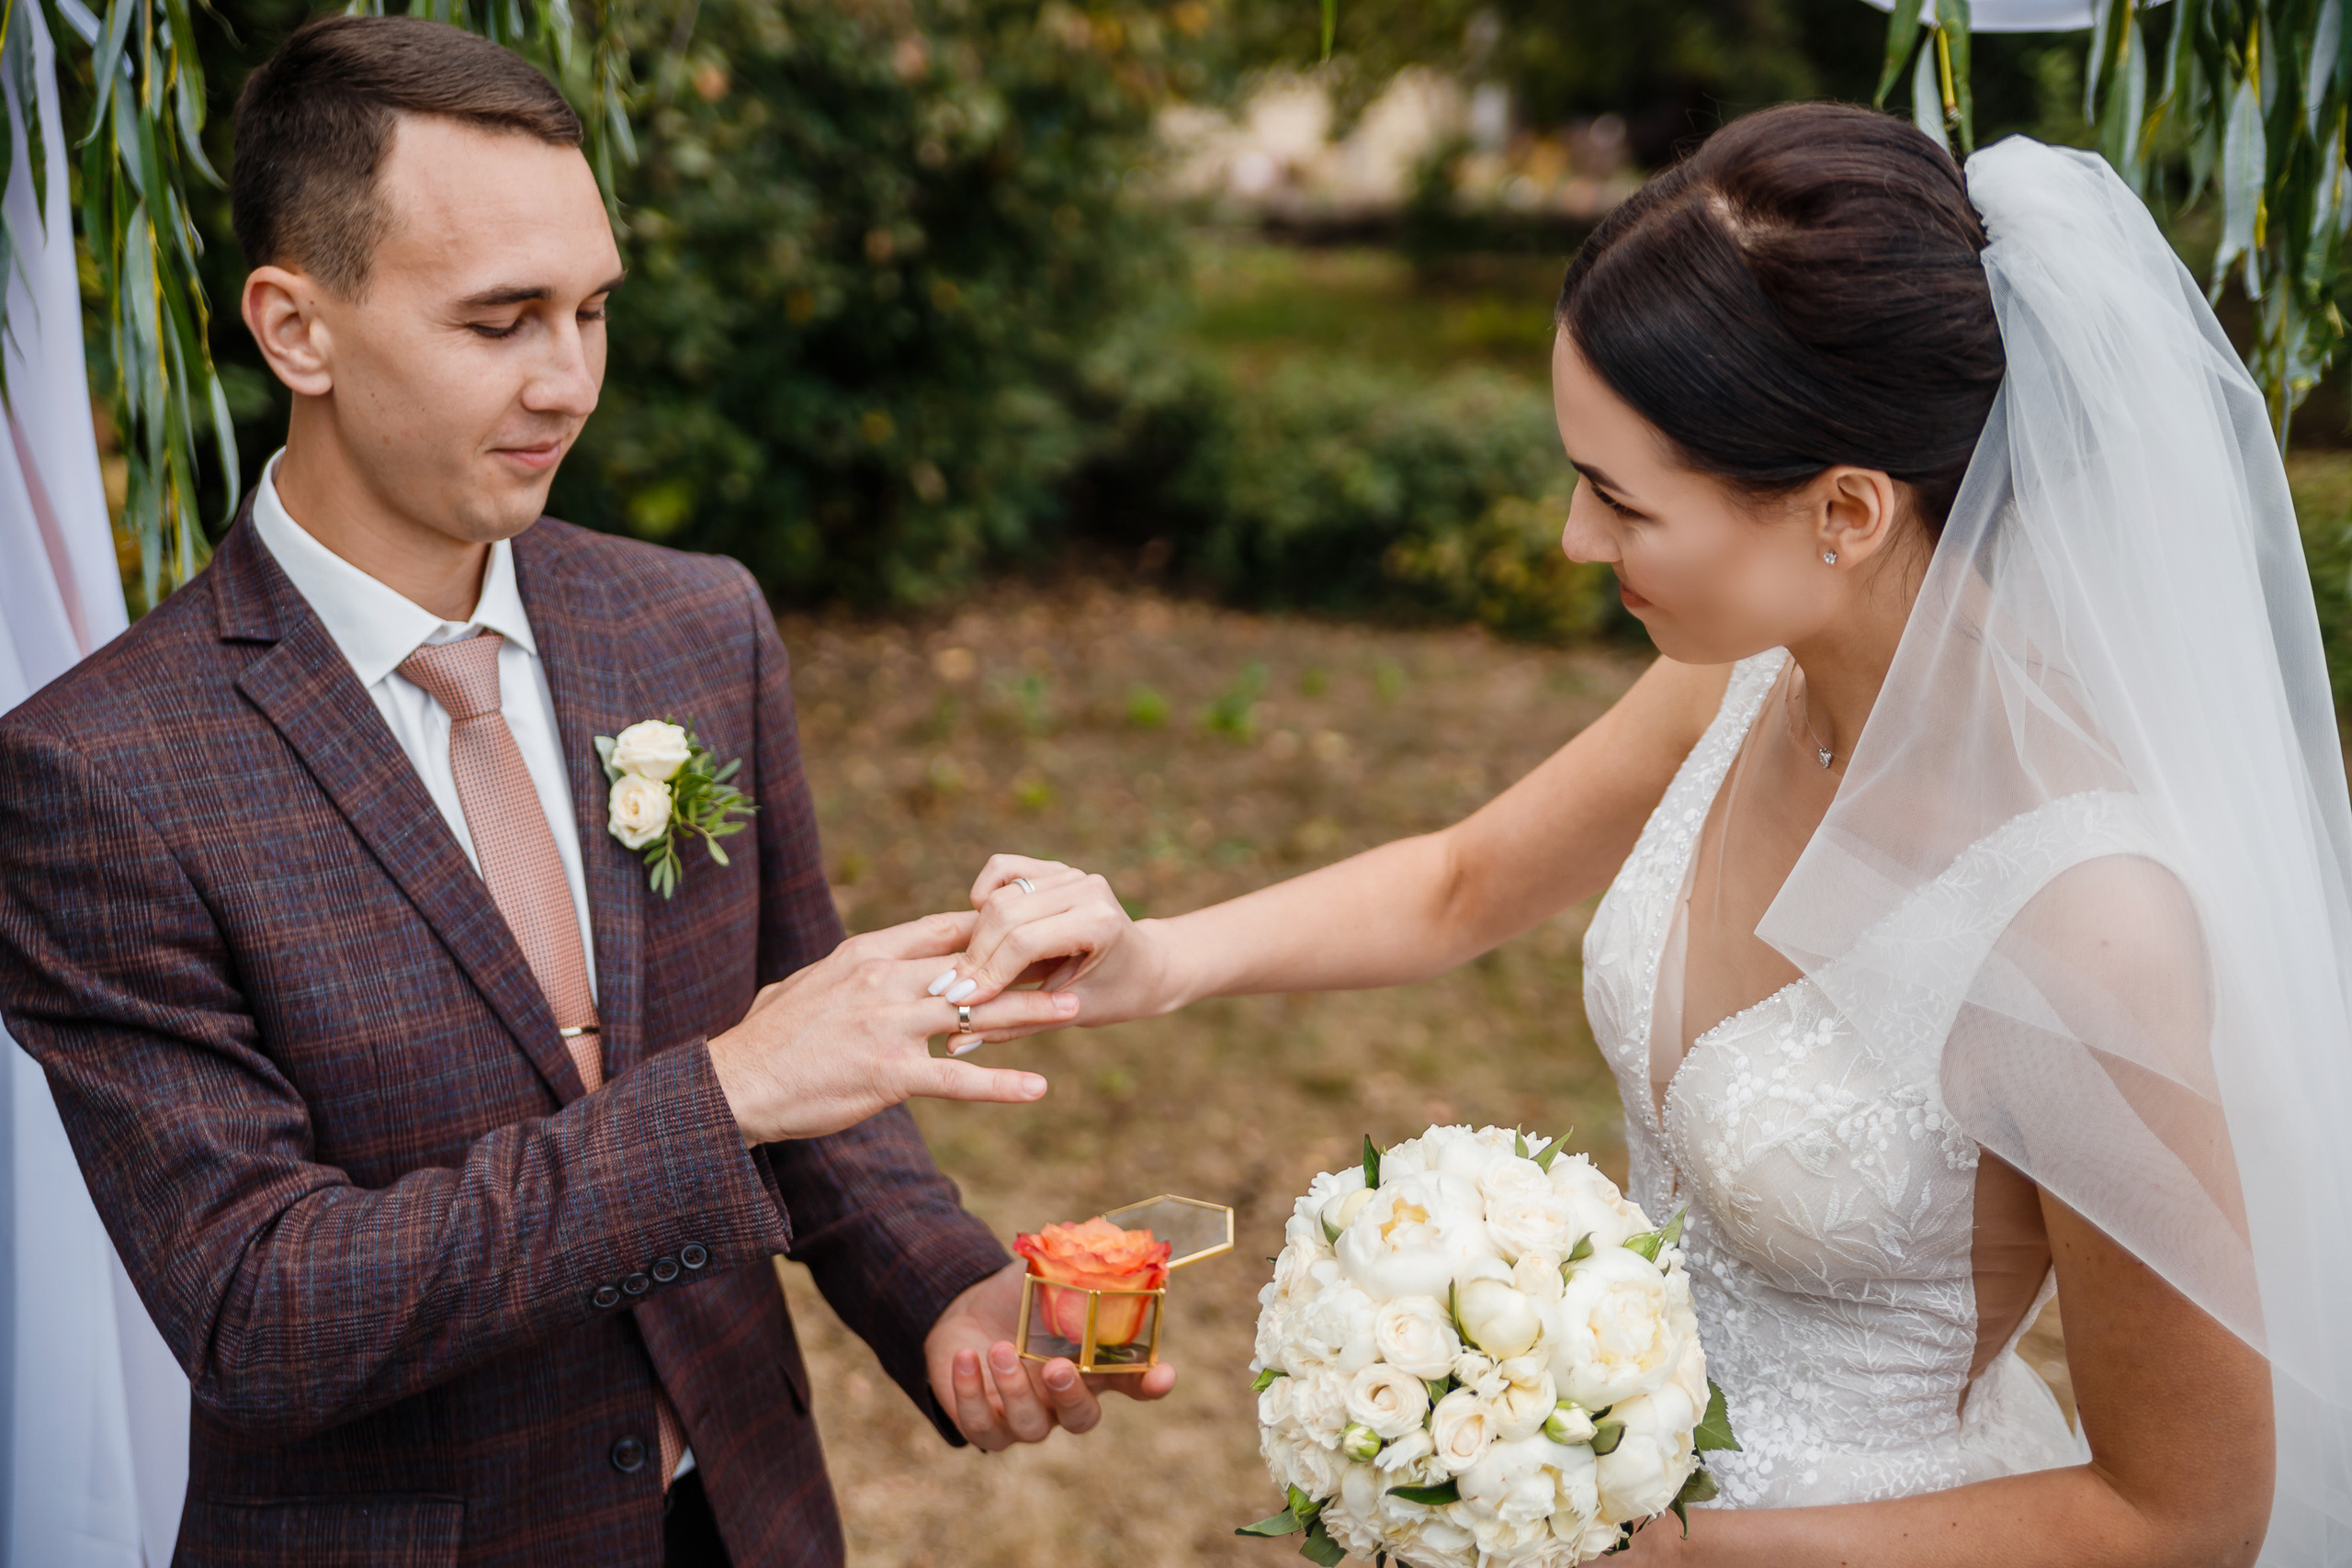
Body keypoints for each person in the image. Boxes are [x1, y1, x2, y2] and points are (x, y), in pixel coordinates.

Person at [930, 106, 2352, 1564]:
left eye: (1620, 499)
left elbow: (2184, 1513)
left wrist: (1680, 1552)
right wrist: (1158, 959)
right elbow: (1463, 882)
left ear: (1846, 510)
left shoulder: (2083, 916)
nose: (1573, 539)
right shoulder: (1746, 679)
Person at [0, 17, 1168, 1567]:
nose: (569, 382)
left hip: (741, 1519)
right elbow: (260, 1311)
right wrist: (720, 1097)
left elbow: (803, 1050)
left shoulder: (693, 626)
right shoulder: (99, 773)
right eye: (502, 322)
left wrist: (945, 1288)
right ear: (296, 330)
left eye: (593, 311)